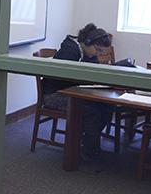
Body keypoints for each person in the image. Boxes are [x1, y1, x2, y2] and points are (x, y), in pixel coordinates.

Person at [41, 23, 114, 160]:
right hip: (55, 94)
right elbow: (65, 80)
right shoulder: (69, 51)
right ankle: (85, 150)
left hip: (74, 92)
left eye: (100, 52)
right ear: (87, 42)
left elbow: (93, 72)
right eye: (97, 50)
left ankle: (88, 144)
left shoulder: (88, 52)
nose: (97, 54)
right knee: (91, 110)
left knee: (108, 107)